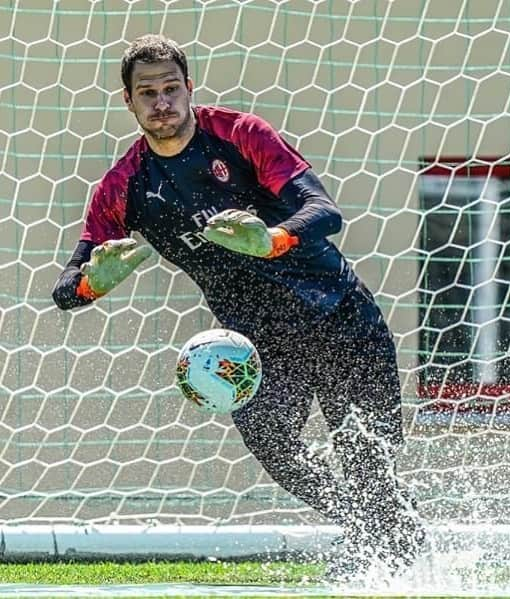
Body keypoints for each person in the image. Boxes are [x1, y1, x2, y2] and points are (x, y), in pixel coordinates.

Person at [52, 34, 424, 578]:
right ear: (127, 102)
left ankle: (400, 559)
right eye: (147, 92)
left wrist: (270, 239)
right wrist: (93, 283)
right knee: (276, 450)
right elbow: (66, 289)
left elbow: (323, 210)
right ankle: (374, 532)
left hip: (340, 317)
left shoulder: (241, 135)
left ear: (190, 89)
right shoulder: (123, 187)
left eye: (171, 88)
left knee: (370, 463)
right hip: (259, 347)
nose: (162, 102)